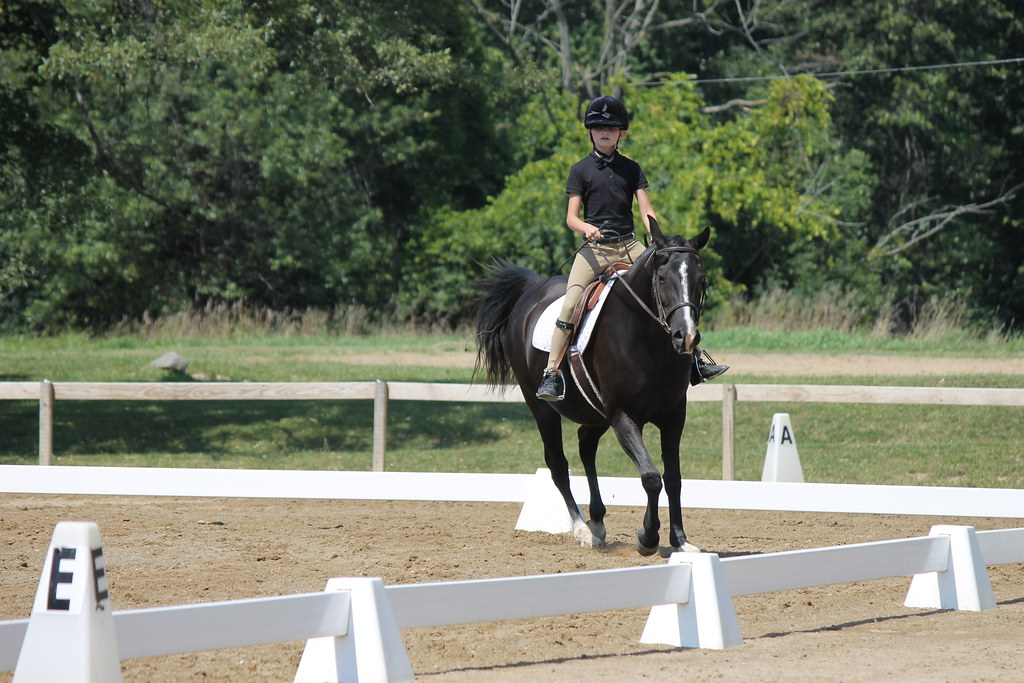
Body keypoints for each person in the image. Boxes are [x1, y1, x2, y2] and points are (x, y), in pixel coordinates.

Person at [536, 95, 728, 401]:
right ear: (590, 131)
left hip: (630, 245)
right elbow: (571, 218)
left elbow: (646, 209)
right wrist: (587, 228)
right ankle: (551, 374)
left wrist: (657, 235)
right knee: (571, 303)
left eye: (611, 128)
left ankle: (695, 360)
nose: (604, 132)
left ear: (621, 133)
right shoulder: (580, 170)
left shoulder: (632, 168)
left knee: (669, 290)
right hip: (594, 250)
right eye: (598, 127)